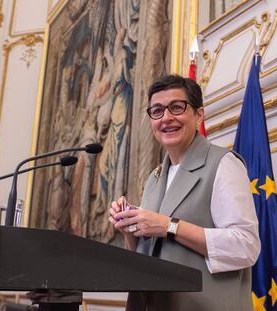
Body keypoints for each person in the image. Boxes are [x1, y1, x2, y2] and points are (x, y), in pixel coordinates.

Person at [109, 74, 260, 311]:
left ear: (199, 114)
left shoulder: (223, 163)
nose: (166, 118)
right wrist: (129, 230)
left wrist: (170, 226)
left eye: (177, 107)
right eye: (157, 111)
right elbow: (146, 255)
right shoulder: (155, 177)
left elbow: (246, 246)